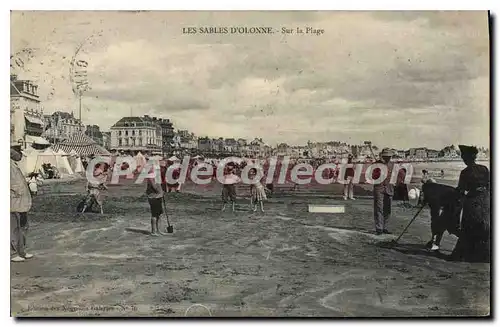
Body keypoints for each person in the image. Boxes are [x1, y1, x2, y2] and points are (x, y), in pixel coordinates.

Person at [450, 145, 490, 263]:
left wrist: (454, 194)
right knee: (484, 226)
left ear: (466, 158)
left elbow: (461, 190)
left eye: (463, 157)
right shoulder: (484, 168)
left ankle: (466, 254)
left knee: (468, 226)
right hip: (485, 200)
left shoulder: (465, 172)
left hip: (472, 201)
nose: (463, 159)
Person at [11, 148, 34, 262]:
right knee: (13, 228)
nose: (20, 156)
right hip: (13, 201)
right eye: (18, 153)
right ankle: (12, 253)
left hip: (20, 201)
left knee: (21, 227)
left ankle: (21, 251)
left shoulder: (13, 164)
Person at [371, 148, 394, 235]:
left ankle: (385, 227)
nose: (387, 158)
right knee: (379, 208)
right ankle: (379, 228)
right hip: (379, 188)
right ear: (383, 156)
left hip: (389, 189)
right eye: (386, 156)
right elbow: (372, 177)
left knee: (388, 209)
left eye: (389, 156)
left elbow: (398, 177)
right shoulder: (376, 165)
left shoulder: (393, 165)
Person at [146, 168, 165, 236]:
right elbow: (155, 188)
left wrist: (162, 191)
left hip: (158, 197)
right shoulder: (151, 179)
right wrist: (161, 191)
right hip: (153, 197)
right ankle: (153, 231)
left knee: (159, 214)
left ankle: (158, 230)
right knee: (154, 215)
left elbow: (159, 186)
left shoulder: (156, 178)